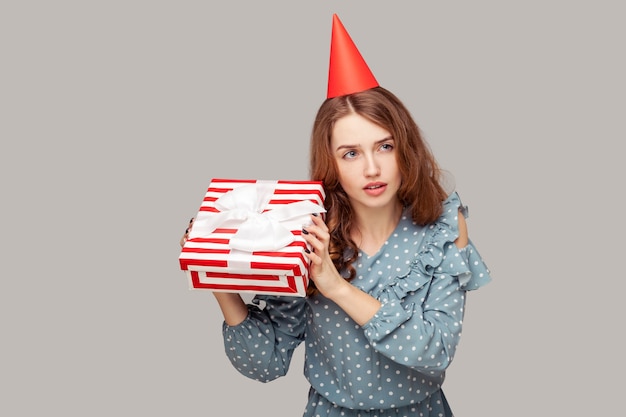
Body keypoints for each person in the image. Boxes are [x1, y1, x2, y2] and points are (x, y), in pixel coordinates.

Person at [180, 14, 491, 417]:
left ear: (405, 149)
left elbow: (435, 349)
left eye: (384, 147)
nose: (372, 169)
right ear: (331, 164)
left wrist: (336, 286)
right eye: (351, 153)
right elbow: (266, 363)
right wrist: (216, 268)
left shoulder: (444, 226)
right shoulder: (304, 232)